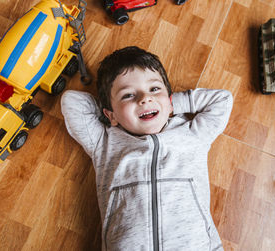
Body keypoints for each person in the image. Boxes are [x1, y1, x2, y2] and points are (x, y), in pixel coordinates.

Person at [61, 46, 233, 251]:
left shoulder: (192, 135)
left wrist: (170, 105)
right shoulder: (104, 144)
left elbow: (222, 100)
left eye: (154, 89)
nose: (144, 98)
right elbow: (71, 102)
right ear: (111, 115)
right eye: (128, 95)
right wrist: (115, 114)